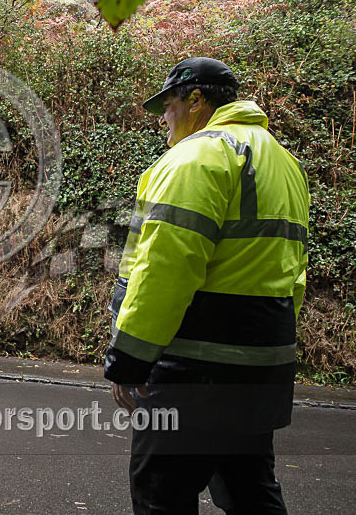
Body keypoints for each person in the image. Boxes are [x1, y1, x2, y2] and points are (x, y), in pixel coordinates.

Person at [103, 57, 310, 514]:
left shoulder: (197, 156)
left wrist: (130, 359)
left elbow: (165, 270)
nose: (163, 117)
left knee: (161, 497)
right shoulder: (285, 163)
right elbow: (293, 272)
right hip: (261, 372)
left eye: (168, 105)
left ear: (196, 100)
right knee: (252, 494)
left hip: (192, 374)